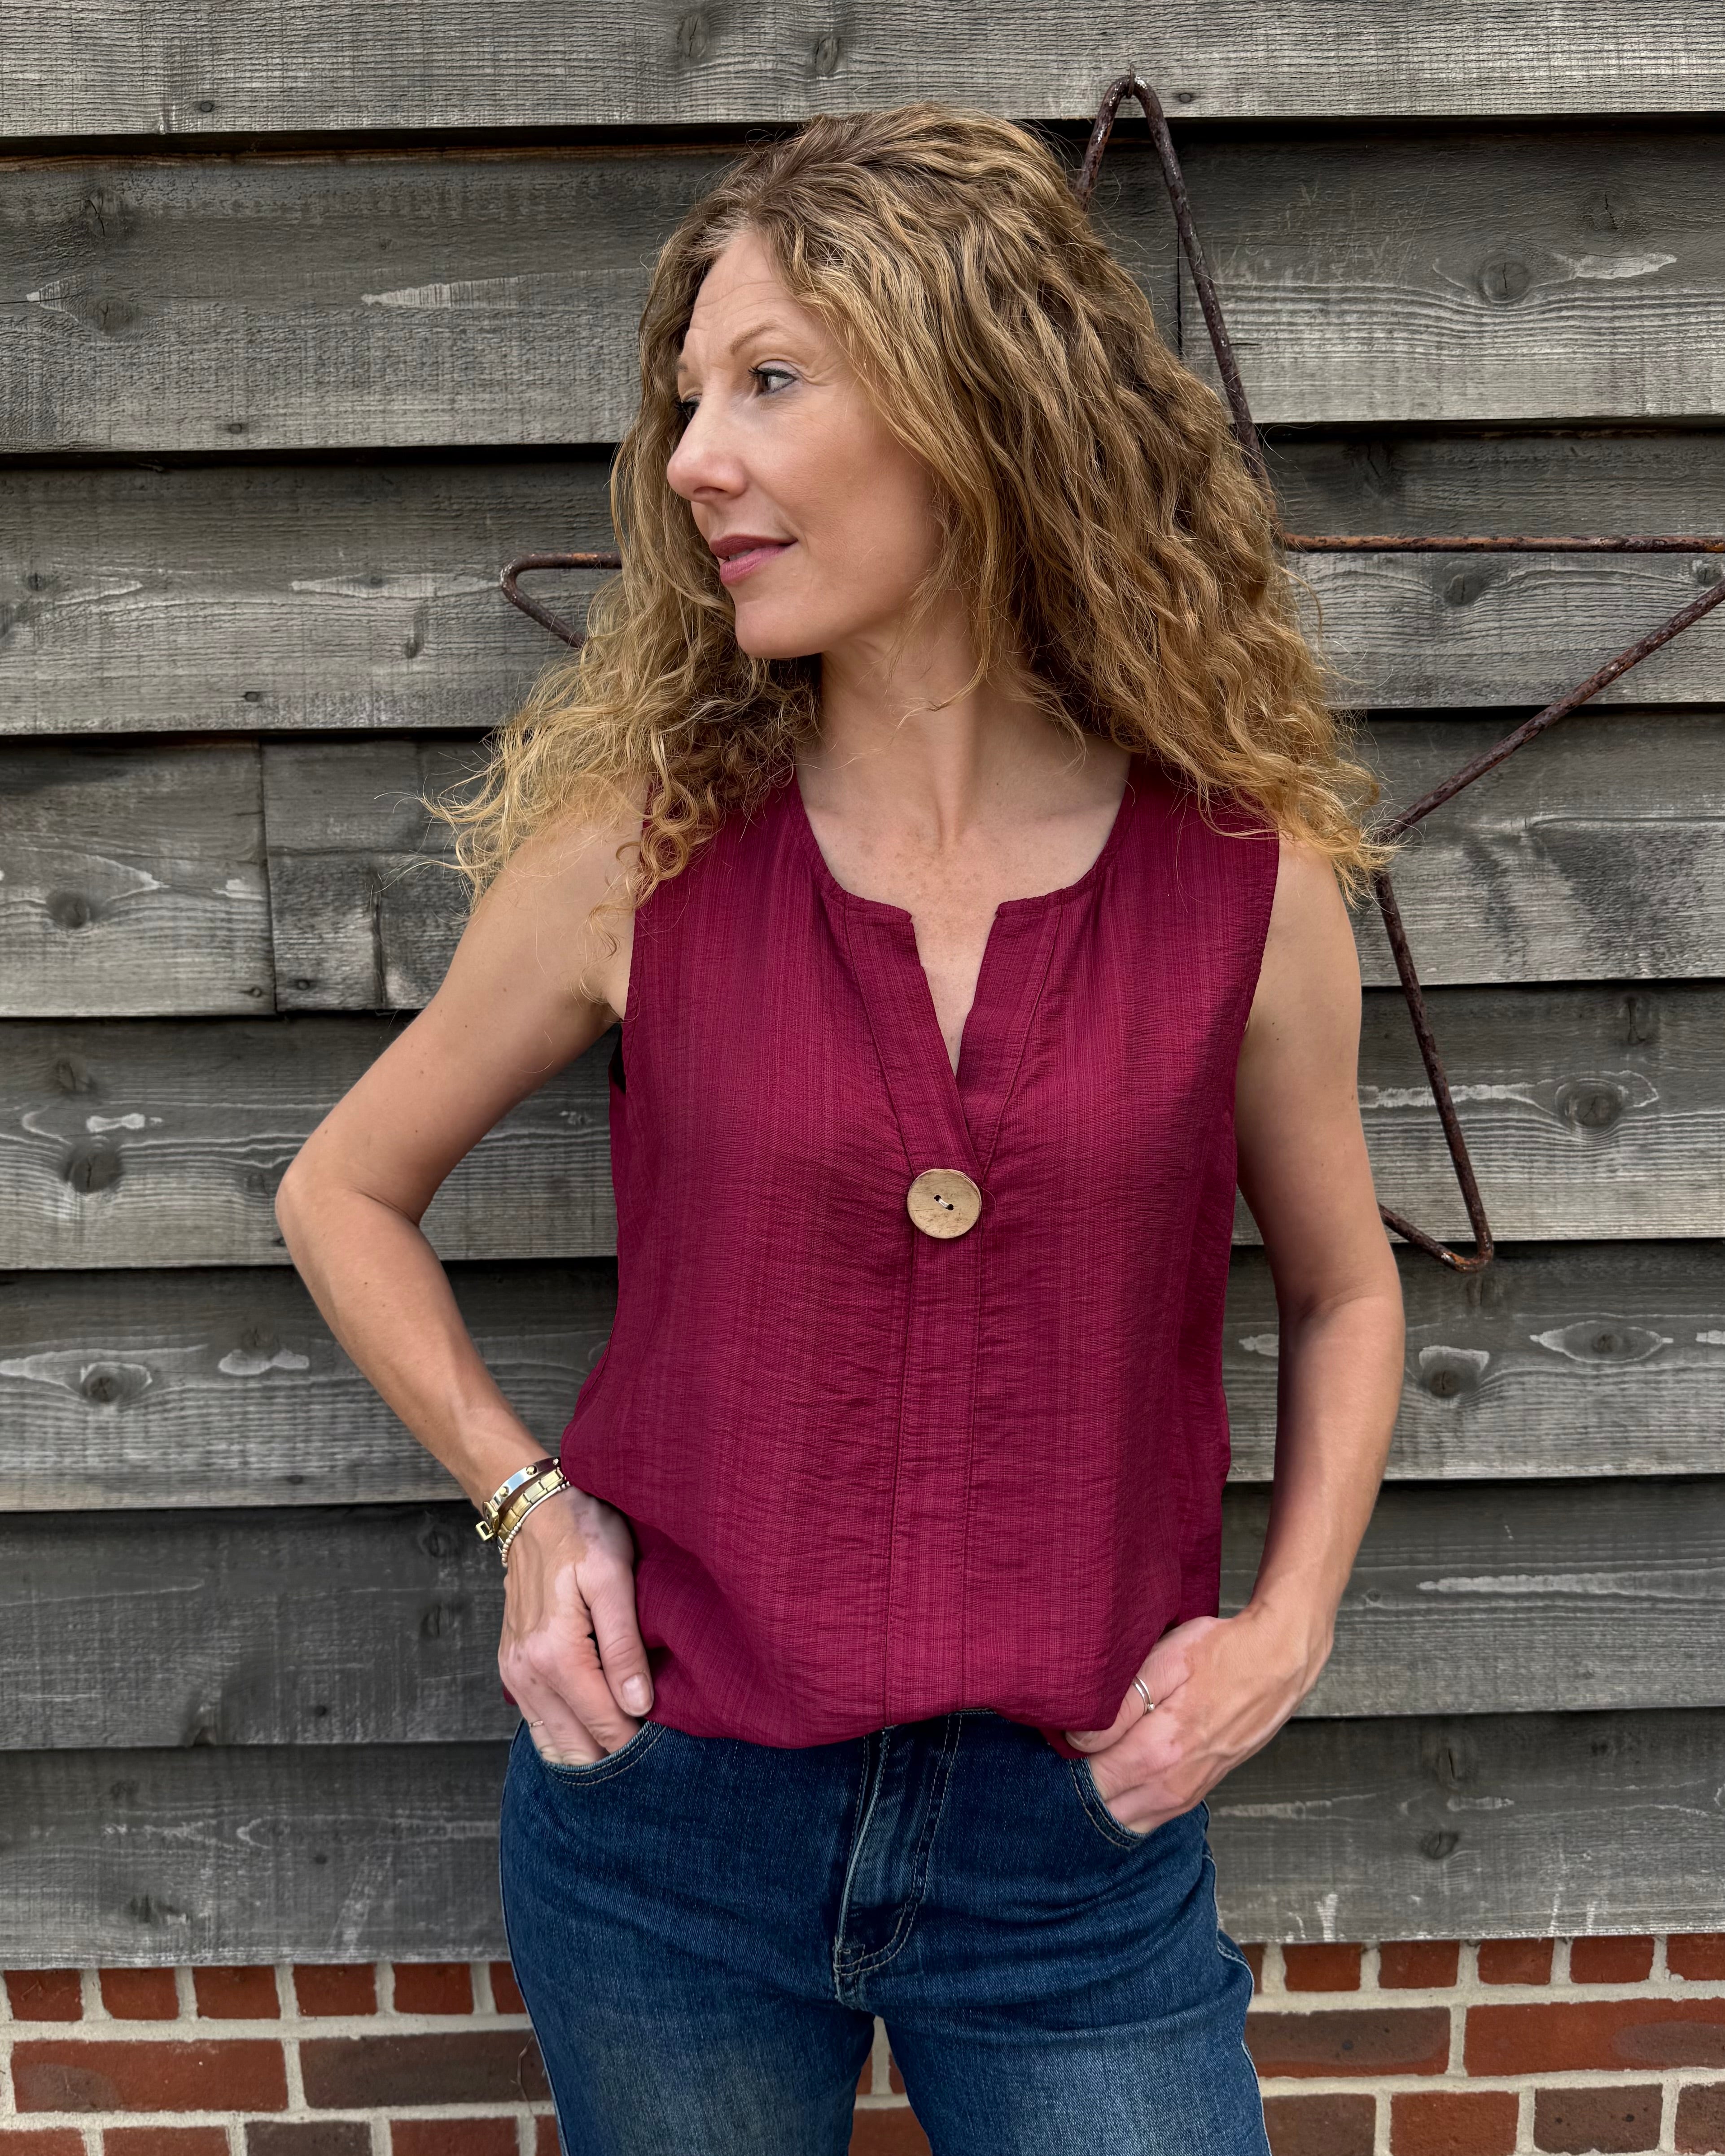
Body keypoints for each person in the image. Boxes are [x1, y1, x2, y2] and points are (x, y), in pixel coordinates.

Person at [275, 103, 1406, 2156]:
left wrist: (1290, 1619)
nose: (696, 455)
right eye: (689, 397)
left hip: (1073, 1848)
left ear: (982, 407)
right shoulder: (645, 856)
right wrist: (527, 1507)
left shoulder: (1246, 882)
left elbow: (1341, 1287)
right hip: (666, 1826)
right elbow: (341, 1187)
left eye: (770, 383)